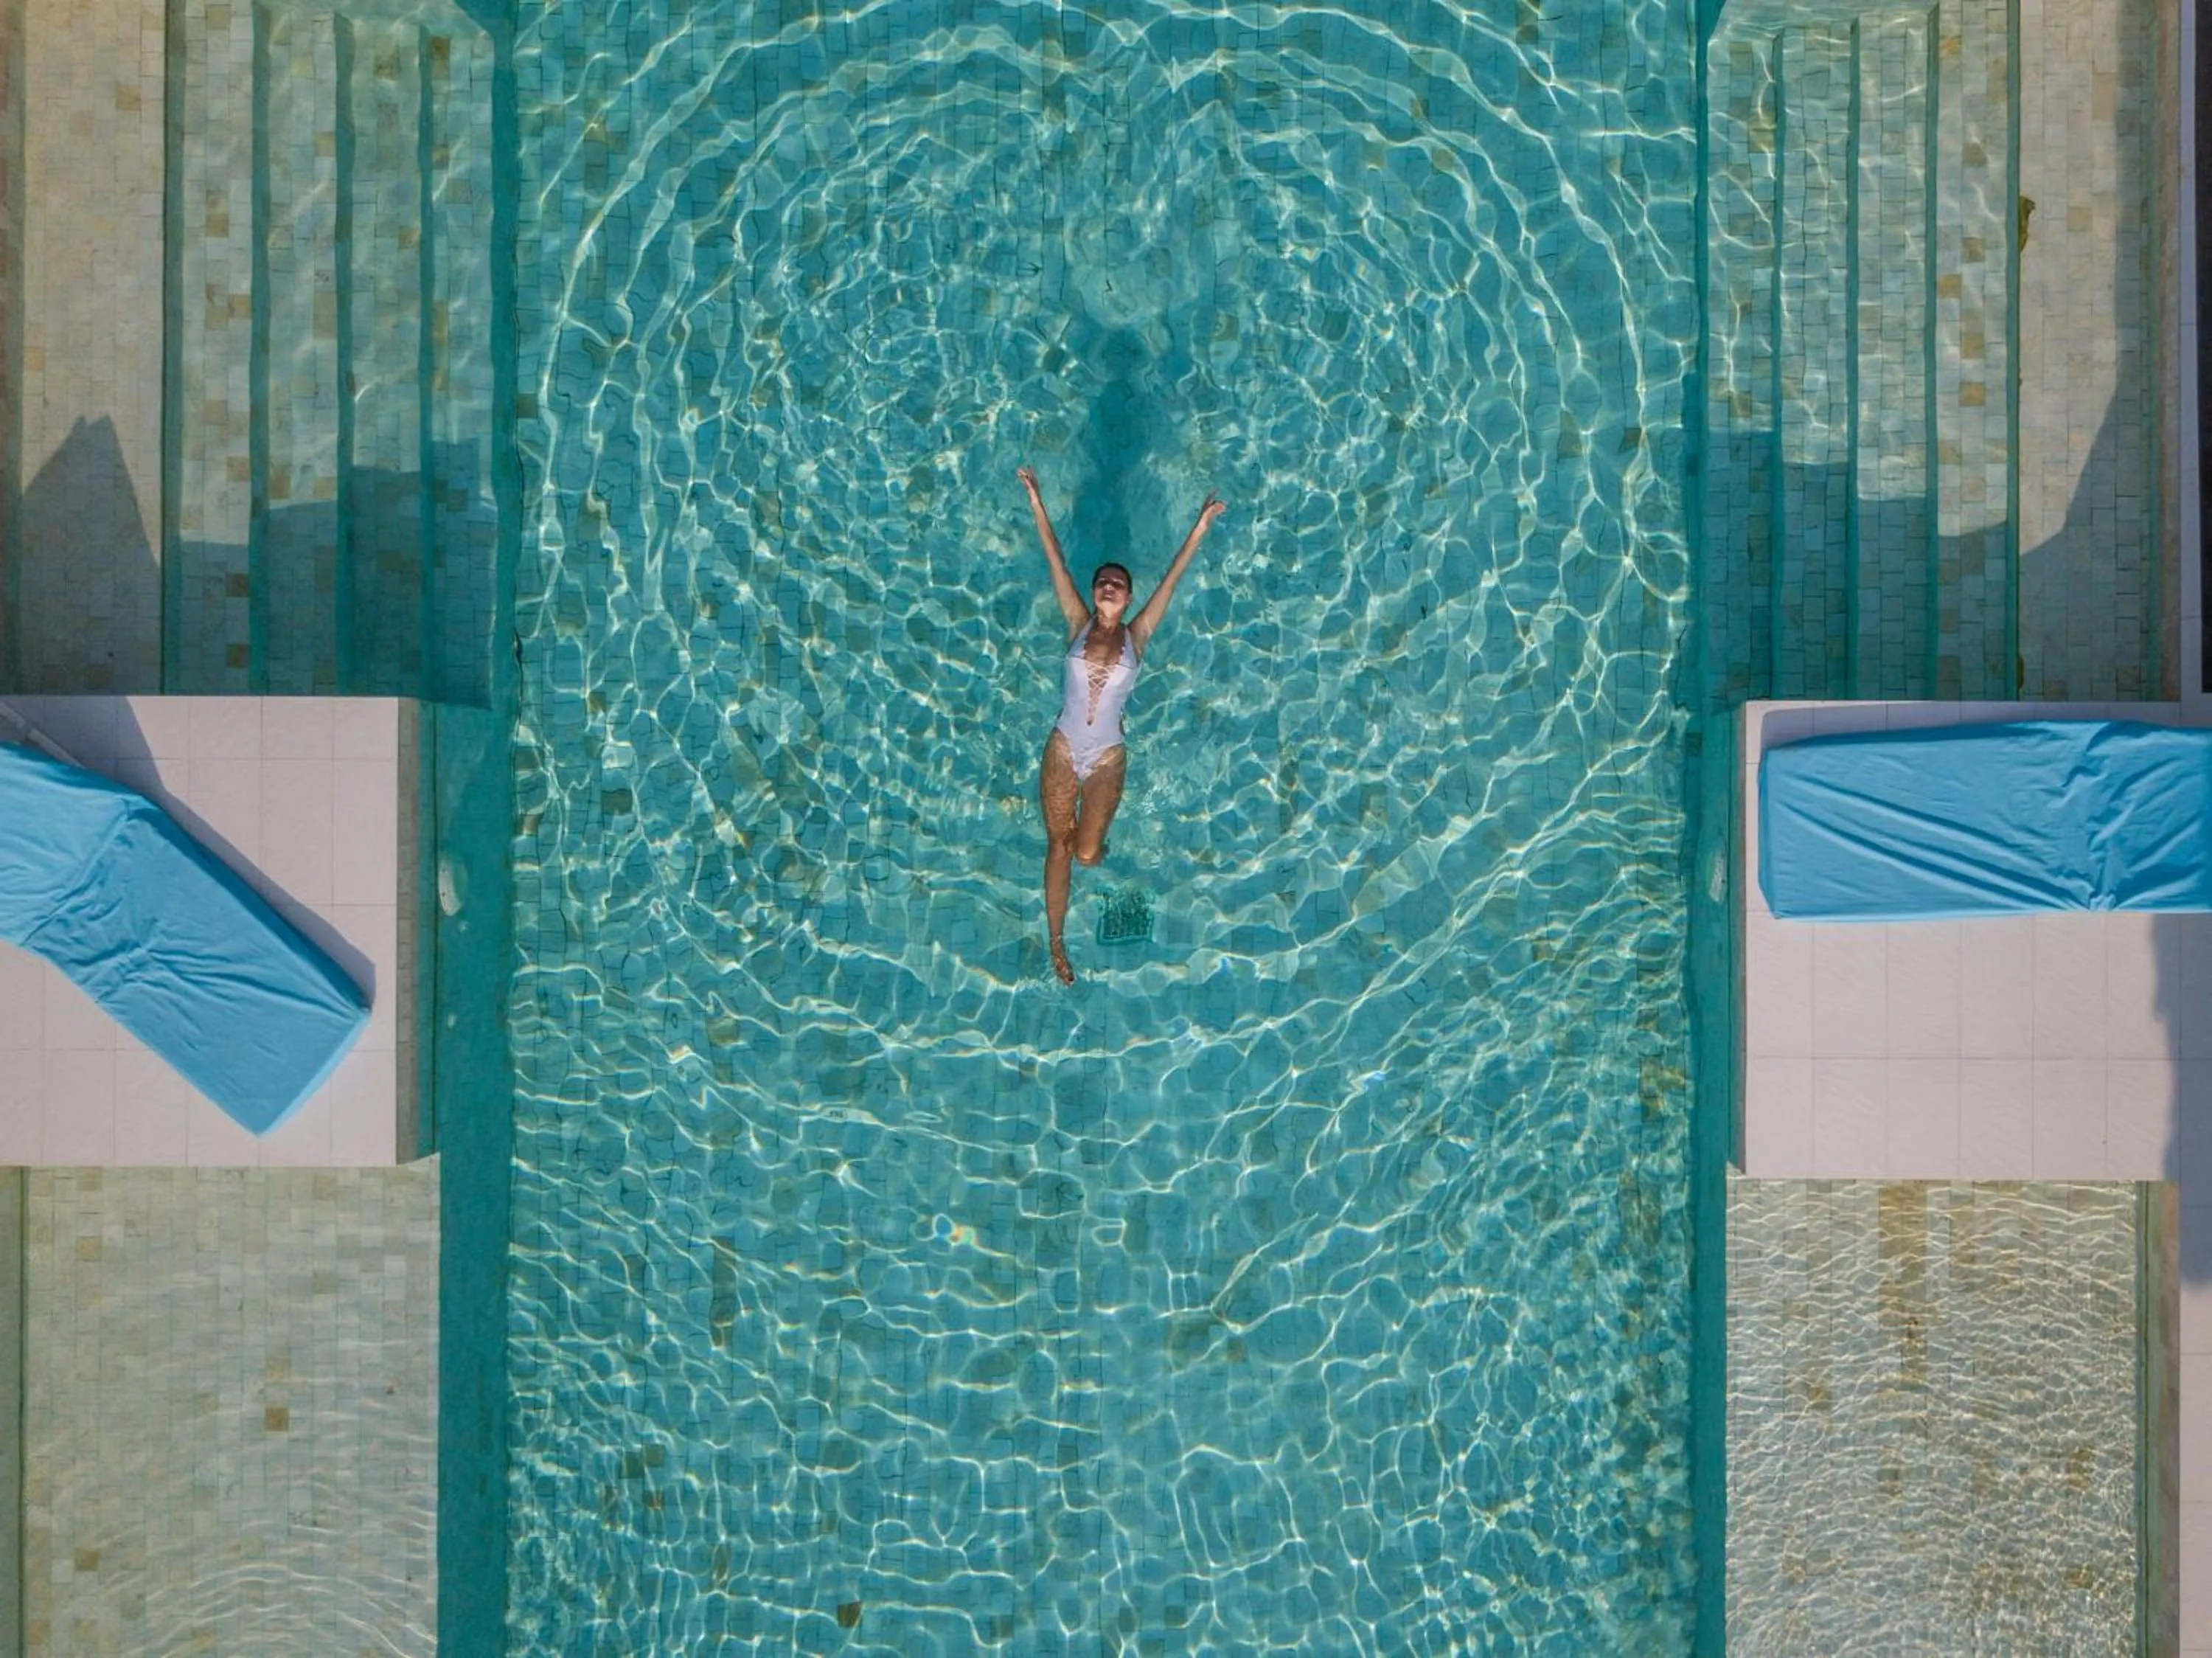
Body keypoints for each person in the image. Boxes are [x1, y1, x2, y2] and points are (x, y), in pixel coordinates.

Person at [1017, 464, 1225, 984]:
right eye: (1104, 581)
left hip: (1107, 755)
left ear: (1130, 599)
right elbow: (1055, 562)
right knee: (1057, 844)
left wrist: (1199, 529)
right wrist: (1037, 502)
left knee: (1086, 853)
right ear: (1093, 592)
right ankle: (1057, 943)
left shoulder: (1140, 634)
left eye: (1120, 584)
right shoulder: (1076, 621)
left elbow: (1173, 583)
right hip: (1064, 747)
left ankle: (1098, 846)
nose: (1110, 586)